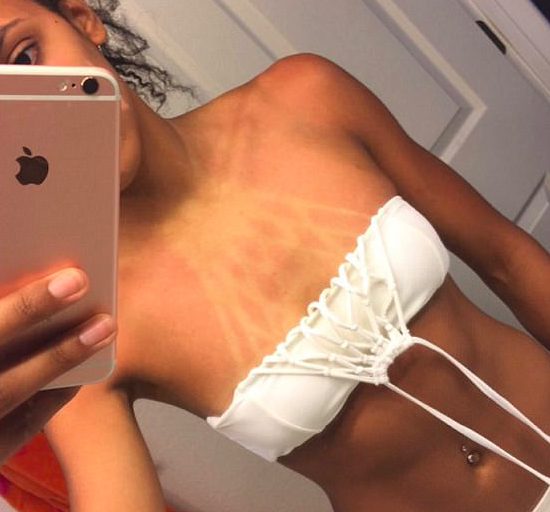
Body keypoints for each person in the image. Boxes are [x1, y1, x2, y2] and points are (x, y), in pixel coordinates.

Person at [2, 0, 549, 511]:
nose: (40, 117)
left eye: (25, 57)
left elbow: (506, 257)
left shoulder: (305, 97)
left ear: (82, 19)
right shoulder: (76, 323)